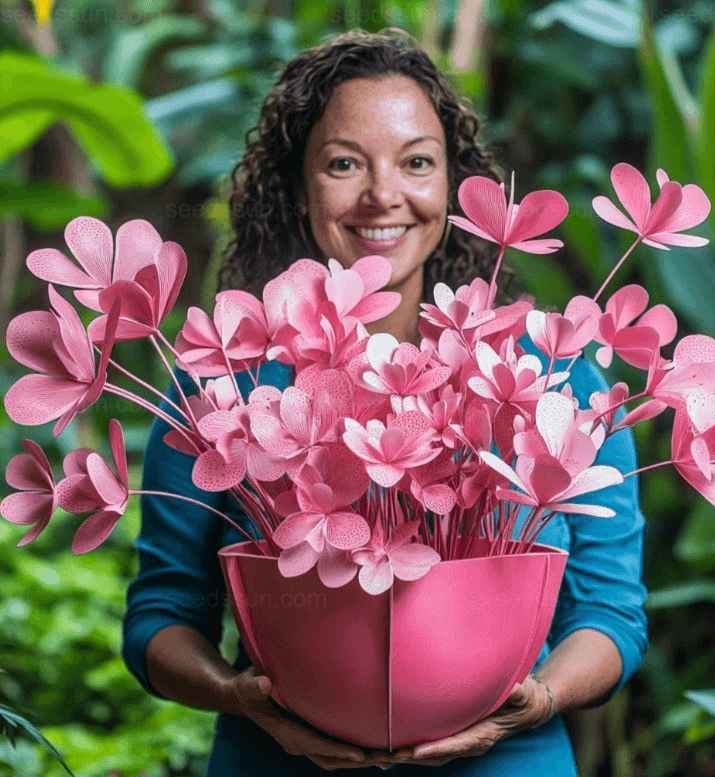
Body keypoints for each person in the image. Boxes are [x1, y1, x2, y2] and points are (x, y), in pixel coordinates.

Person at [123, 27, 648, 776]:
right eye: (344, 163)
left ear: (453, 186)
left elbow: (609, 612)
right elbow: (161, 615)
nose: (383, 195)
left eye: (416, 162)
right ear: (298, 187)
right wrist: (238, 697)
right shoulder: (222, 383)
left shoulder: (553, 376)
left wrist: (539, 698)